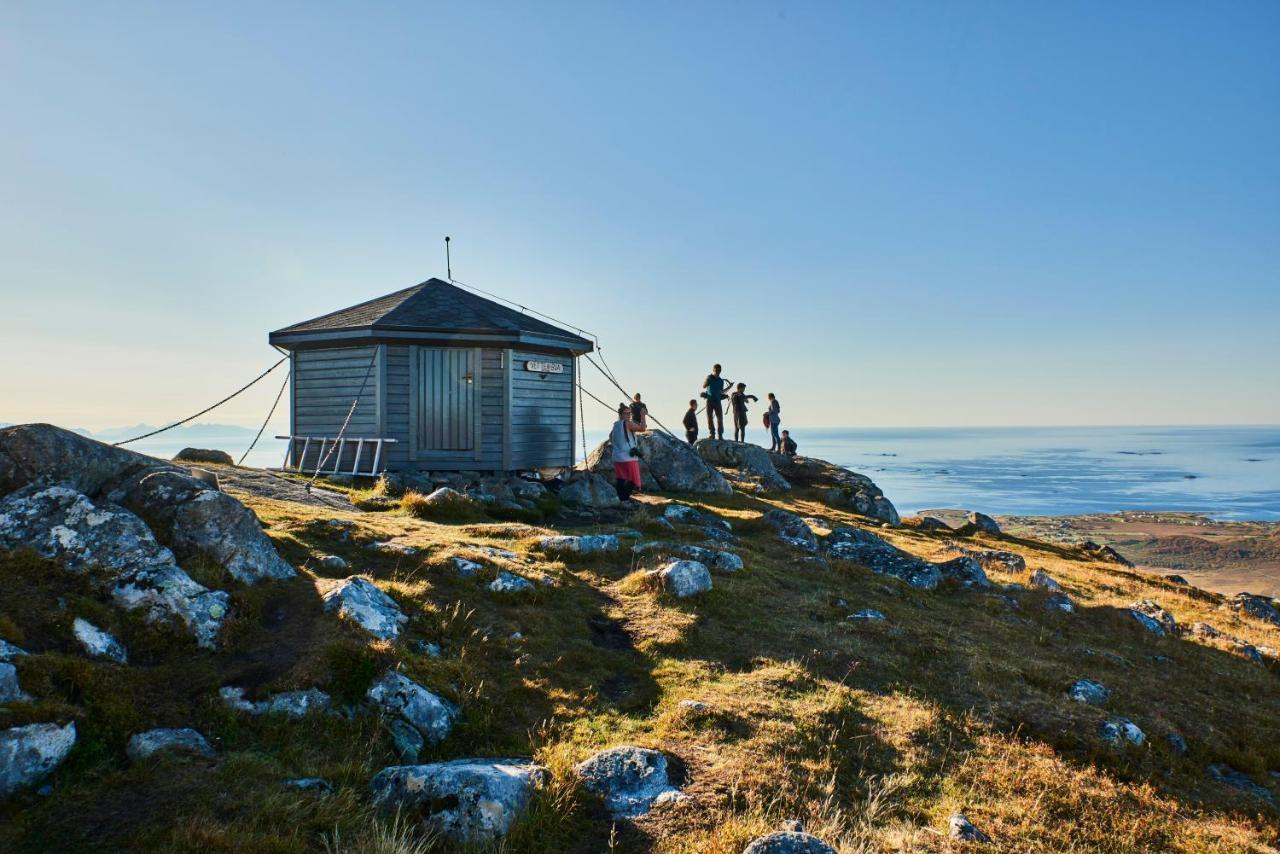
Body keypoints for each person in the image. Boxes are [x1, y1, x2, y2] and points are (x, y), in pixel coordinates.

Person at [610, 403, 647, 500]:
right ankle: (624, 498)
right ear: (621, 415)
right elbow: (642, 428)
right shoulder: (627, 423)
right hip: (628, 457)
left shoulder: (615, 425)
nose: (629, 415)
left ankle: (620, 498)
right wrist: (643, 415)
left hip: (617, 457)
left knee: (621, 479)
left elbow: (611, 438)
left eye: (629, 413)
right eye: (626, 413)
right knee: (634, 480)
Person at [701, 364, 728, 440]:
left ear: (720, 371)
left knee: (720, 419)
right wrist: (707, 382)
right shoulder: (709, 377)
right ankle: (712, 434)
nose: (717, 372)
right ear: (713, 370)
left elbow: (720, 391)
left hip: (717, 401)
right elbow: (704, 386)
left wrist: (724, 396)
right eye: (716, 370)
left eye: (719, 370)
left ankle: (720, 435)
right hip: (709, 400)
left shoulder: (721, 381)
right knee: (709, 418)